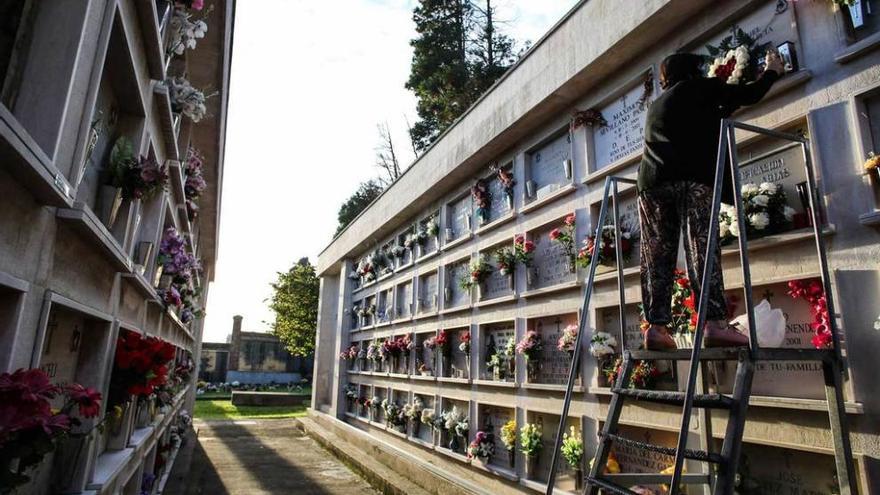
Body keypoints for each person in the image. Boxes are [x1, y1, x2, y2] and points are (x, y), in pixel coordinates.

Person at [638, 50, 784, 350]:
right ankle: (714, 324)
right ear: (694, 72)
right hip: (692, 179)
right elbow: (750, 94)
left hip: (651, 183)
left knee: (656, 254)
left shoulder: (656, 106)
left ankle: (656, 328)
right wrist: (771, 72)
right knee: (701, 248)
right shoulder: (702, 87)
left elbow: (711, 116)